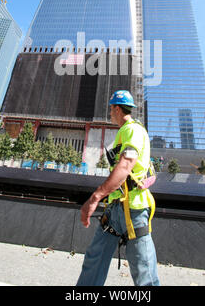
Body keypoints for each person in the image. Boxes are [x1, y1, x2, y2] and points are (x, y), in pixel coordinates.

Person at [76, 90, 160, 286]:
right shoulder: (126, 131)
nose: (110, 113)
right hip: (116, 209)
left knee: (144, 271)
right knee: (94, 259)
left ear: (116, 108)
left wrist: (95, 197)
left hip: (134, 209)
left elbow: (124, 166)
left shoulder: (133, 130)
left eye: (111, 109)